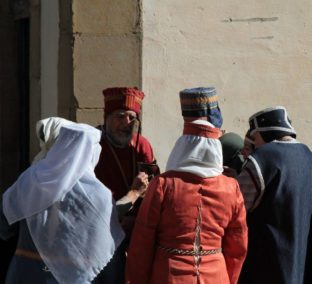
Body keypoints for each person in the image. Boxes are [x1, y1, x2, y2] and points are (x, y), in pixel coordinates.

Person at [125, 87, 248, 284]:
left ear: (183, 145)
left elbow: (143, 240)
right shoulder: (231, 187)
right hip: (216, 276)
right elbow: (237, 247)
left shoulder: (163, 184)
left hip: (169, 276)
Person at [0, 118, 124, 284]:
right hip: (72, 277)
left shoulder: (30, 179)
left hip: (23, 272)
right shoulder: (98, 195)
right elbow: (105, 250)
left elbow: (4, 224)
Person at [237, 106, 312, 284]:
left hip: (266, 263)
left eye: (256, 137)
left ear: (264, 133)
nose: (256, 143)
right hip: (303, 261)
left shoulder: (262, 158)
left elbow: (237, 208)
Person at [94, 87, 158, 283]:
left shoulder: (142, 145)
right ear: (107, 117)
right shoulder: (93, 144)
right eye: (120, 116)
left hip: (137, 229)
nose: (126, 123)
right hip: (102, 229)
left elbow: (154, 183)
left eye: (132, 117)